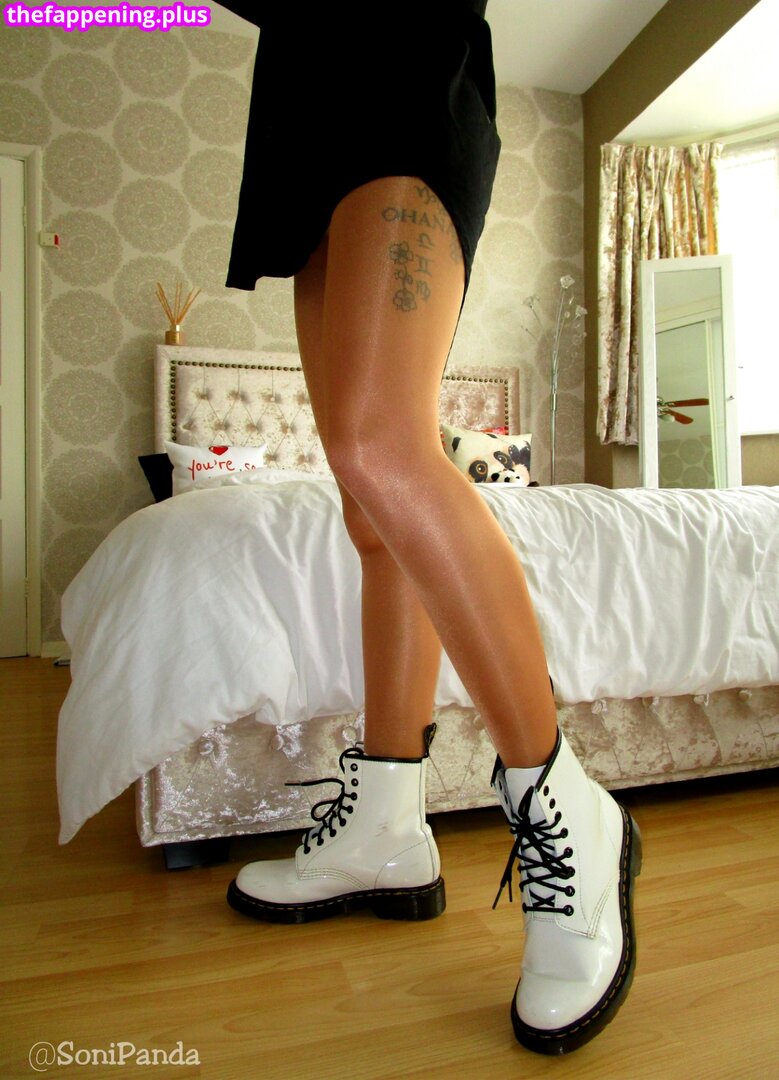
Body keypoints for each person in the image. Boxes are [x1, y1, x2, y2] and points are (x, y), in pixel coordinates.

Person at [216, 0, 641, 1056]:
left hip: (397, 56)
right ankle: (385, 825)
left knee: (382, 445)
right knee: (369, 508)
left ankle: (564, 805)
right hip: (309, 93)